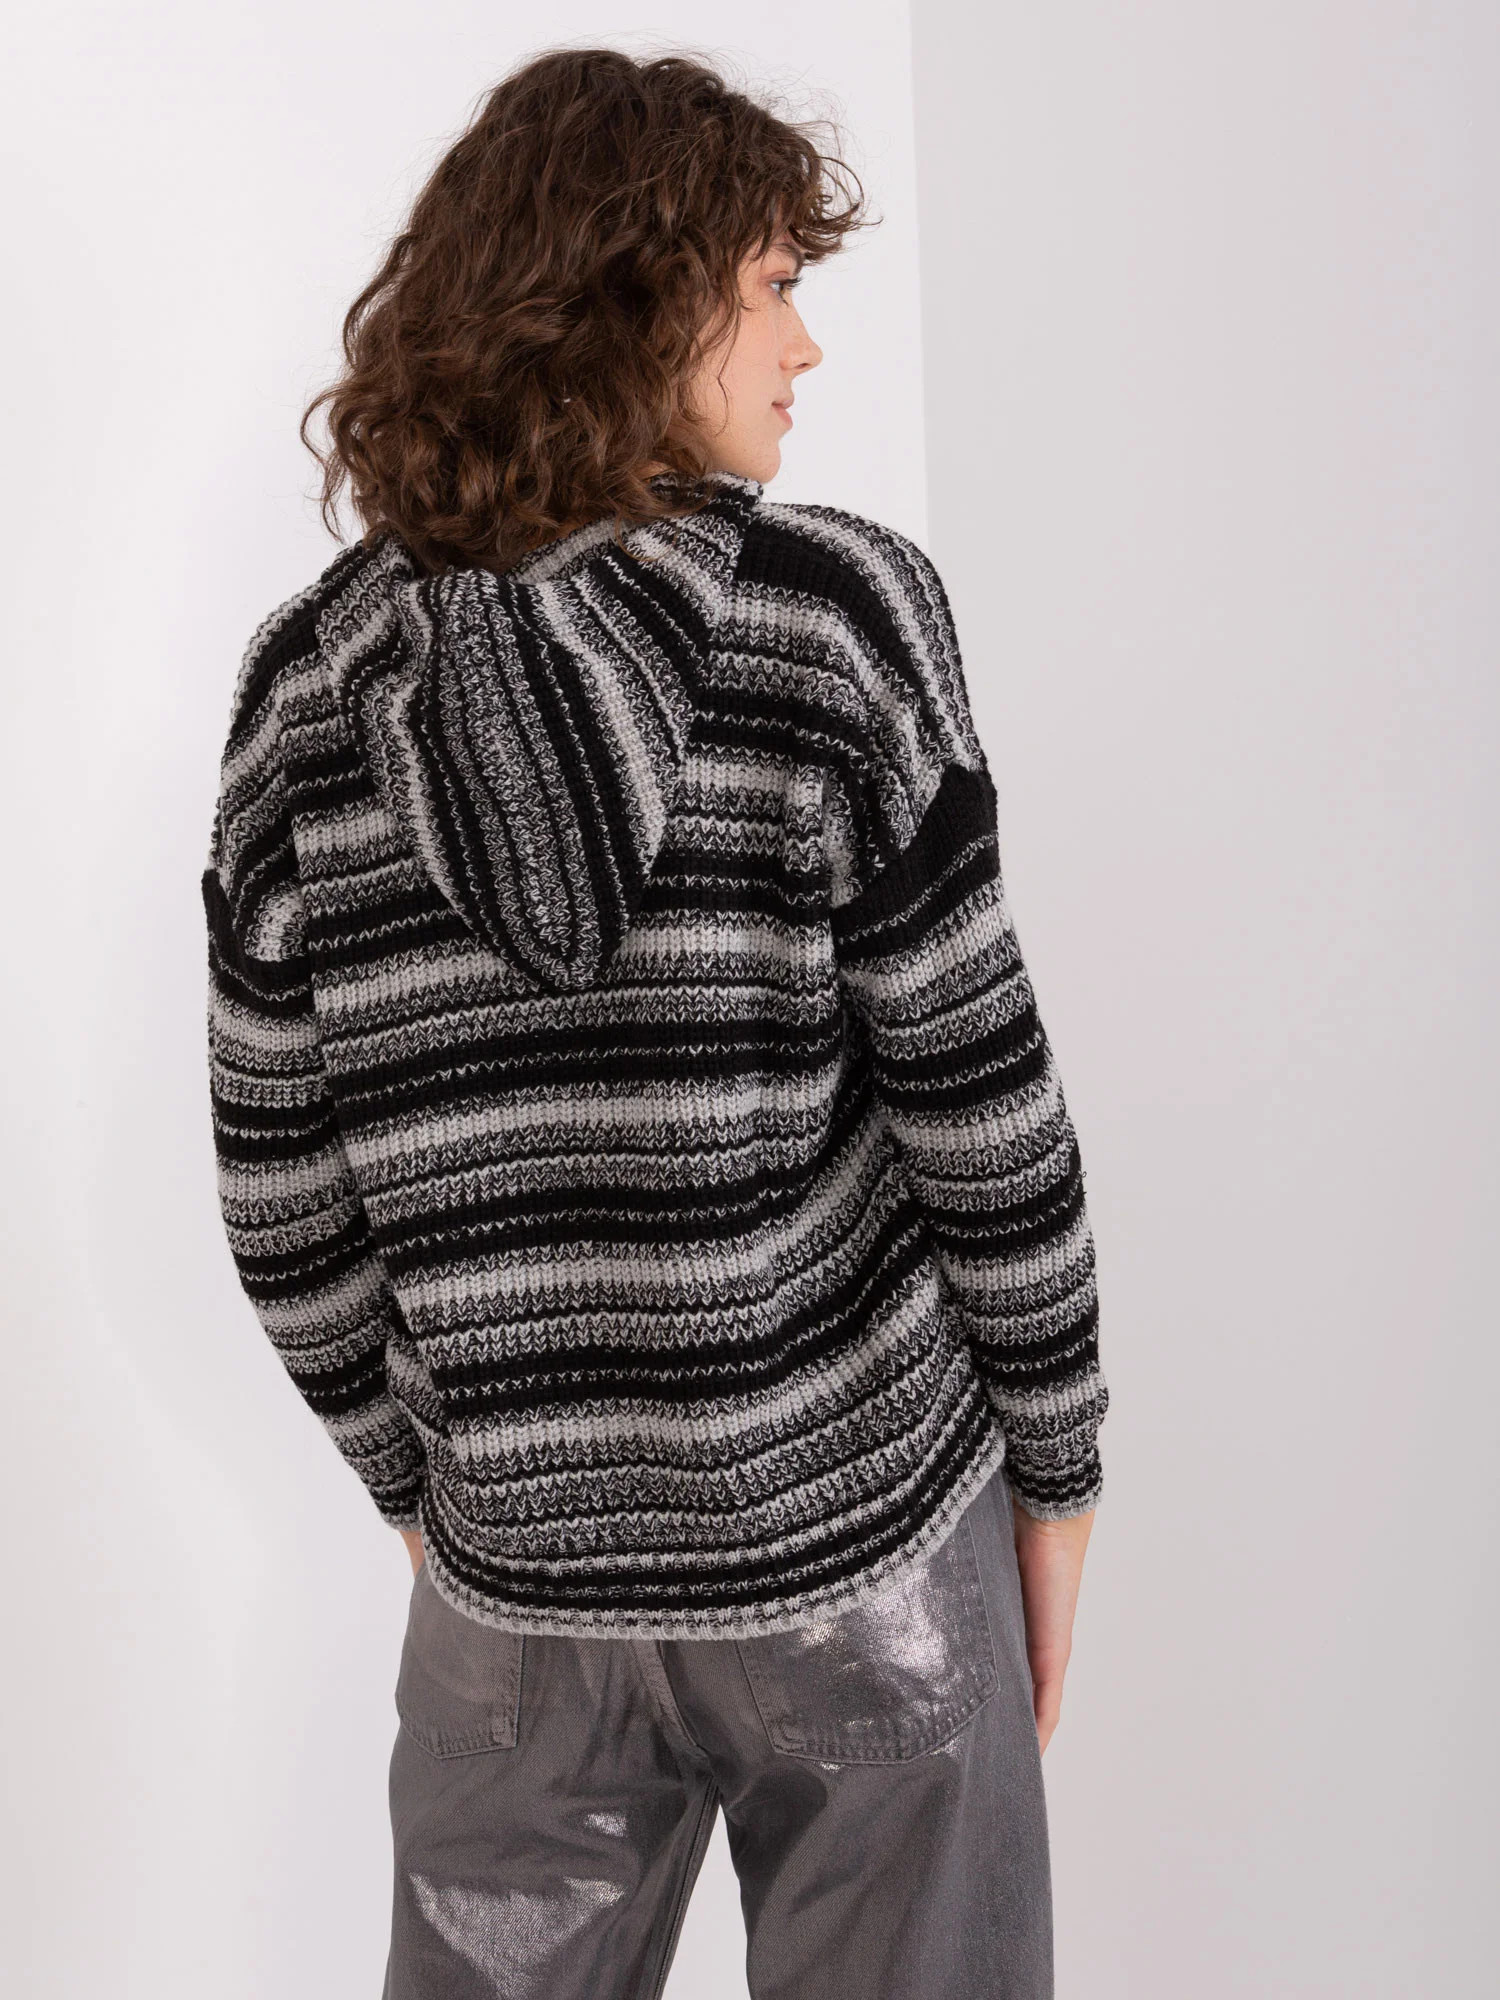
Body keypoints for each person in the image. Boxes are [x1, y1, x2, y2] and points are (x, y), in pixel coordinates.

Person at [201, 45, 1108, 2000]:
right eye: (772, 285)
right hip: (860, 1535)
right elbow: (979, 1103)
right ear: (642, 300)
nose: (805, 345)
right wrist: (1060, 1464)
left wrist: (440, 1495)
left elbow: (282, 1198)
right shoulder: (834, 620)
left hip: (518, 1593)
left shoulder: (303, 696)